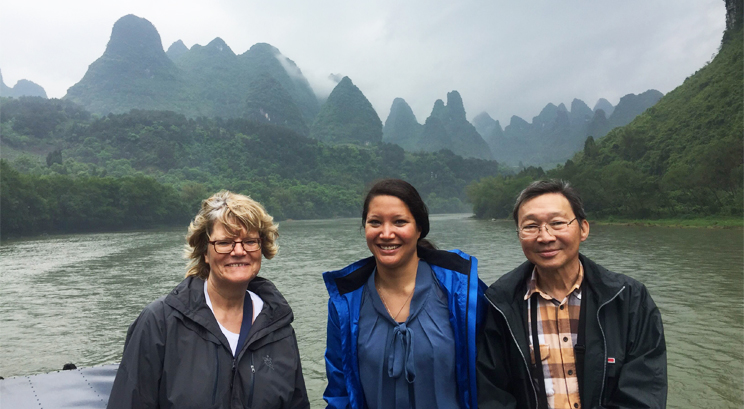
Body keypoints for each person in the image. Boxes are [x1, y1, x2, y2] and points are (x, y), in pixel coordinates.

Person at [108, 190, 309, 409]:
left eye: (250, 241)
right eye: (225, 243)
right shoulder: (160, 323)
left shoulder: (278, 327)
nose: (239, 251)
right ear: (205, 251)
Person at [476, 179, 667, 409]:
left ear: (583, 228)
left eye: (557, 223)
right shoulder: (500, 304)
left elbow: (644, 392)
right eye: (530, 226)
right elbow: (493, 394)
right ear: (519, 234)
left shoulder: (628, 299)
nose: (545, 237)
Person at [323, 178, 485, 409]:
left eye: (399, 222)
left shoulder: (462, 292)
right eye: (375, 222)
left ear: (419, 228)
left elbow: (492, 379)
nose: (386, 233)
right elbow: (339, 392)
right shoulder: (346, 303)